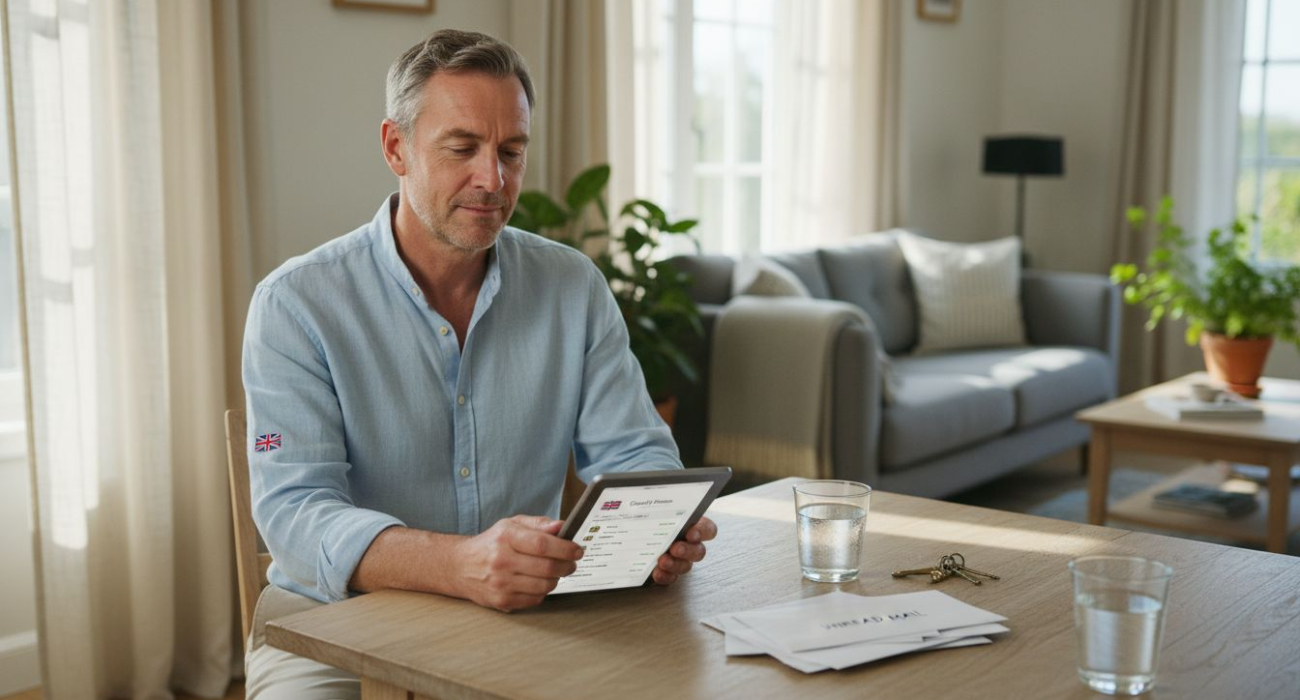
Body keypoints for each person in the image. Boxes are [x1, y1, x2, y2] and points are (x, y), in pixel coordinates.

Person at [241, 29, 717, 699]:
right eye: (462, 148)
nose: (493, 180)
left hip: (530, 622)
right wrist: (456, 563)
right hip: (334, 626)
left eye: (511, 151)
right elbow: (296, 513)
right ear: (395, 147)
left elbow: (635, 452)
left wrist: (661, 526)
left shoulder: (571, 286)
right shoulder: (297, 304)